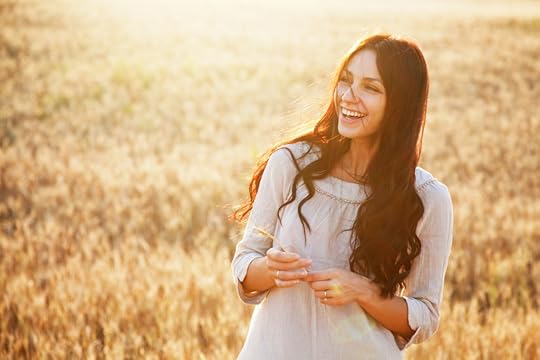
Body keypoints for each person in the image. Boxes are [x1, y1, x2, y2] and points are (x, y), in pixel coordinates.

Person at [230, 33, 453, 359]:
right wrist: (270, 269)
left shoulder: (427, 198)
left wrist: (364, 292)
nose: (349, 96)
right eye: (346, 81)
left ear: (400, 105)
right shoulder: (290, 164)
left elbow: (426, 315)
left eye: (371, 88)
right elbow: (245, 265)